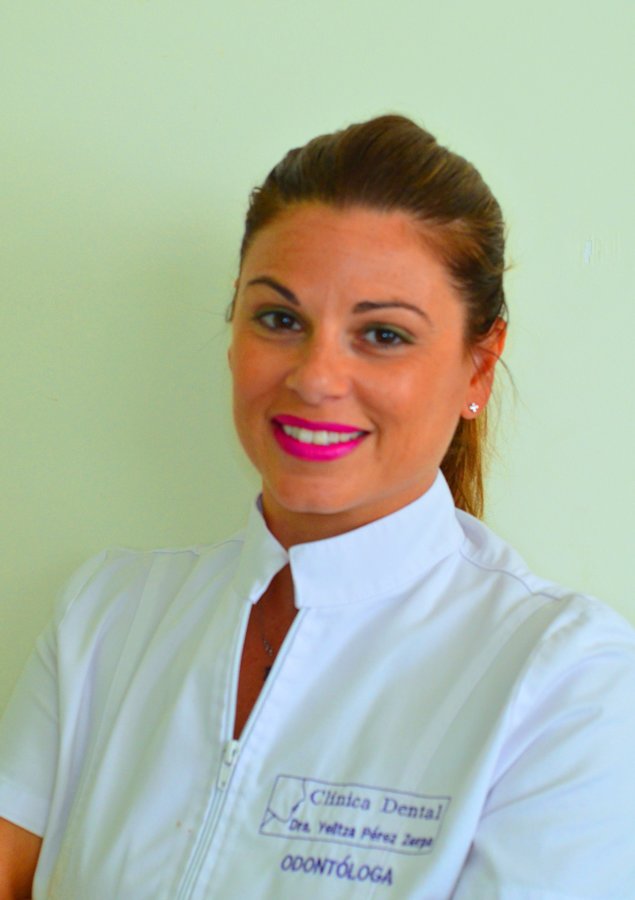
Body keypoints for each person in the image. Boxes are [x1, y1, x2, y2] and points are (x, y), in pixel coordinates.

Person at [1, 115, 634, 899]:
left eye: (382, 334)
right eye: (280, 320)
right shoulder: (105, 618)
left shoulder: (566, 682)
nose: (315, 377)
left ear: (477, 366)